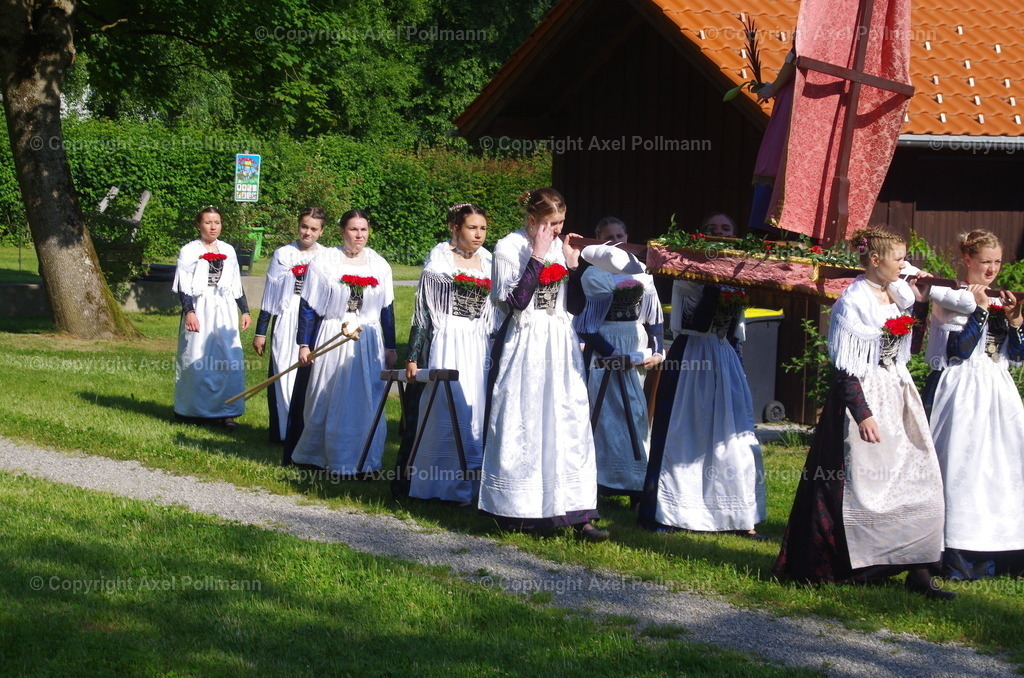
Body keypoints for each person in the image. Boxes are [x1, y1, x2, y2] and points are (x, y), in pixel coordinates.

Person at [773, 226, 953, 600]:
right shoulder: (852, 303)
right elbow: (844, 368)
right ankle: (855, 566)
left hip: (898, 393)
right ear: (875, 259)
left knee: (920, 478)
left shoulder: (898, 294)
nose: (904, 264)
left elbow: (908, 348)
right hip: (865, 398)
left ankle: (919, 569)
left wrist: (918, 302)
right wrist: (863, 414)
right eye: (899, 258)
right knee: (859, 486)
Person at [479, 187, 607, 541]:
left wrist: (572, 266)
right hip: (526, 342)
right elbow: (517, 302)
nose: (557, 229)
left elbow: (574, 306)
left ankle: (578, 513)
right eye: (551, 223)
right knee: (527, 418)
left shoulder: (559, 246)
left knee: (568, 419)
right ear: (532, 220)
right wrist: (536, 254)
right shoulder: (508, 248)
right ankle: (521, 510)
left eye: (561, 222)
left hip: (560, 342)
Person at [925, 229, 1024, 579]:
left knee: (1003, 466)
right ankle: (958, 552)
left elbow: (1017, 356)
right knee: (963, 465)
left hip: (997, 389)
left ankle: (1004, 551)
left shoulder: (1001, 297)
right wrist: (980, 311)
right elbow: (960, 350)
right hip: (963, 387)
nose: (992, 269)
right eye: (985, 262)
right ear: (968, 259)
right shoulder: (953, 297)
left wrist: (1015, 321)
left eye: (997, 262)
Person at [637, 275, 766, 538]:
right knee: (686, 434)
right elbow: (698, 324)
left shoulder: (735, 281)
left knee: (733, 438)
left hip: (723, 357)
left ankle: (738, 516)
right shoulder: (687, 282)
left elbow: (731, 332)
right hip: (693, 359)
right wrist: (712, 291)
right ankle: (675, 511)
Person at [403, 204, 500, 504]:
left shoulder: (489, 262)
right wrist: (412, 356)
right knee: (447, 406)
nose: (479, 234)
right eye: (472, 227)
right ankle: (440, 485)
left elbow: (497, 311)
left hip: (478, 344)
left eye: (483, 228)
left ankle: (473, 486)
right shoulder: (439, 262)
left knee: (476, 408)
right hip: (448, 341)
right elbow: (423, 313)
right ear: (455, 228)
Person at [288, 209, 397, 475]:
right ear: (342, 231)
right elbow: (309, 306)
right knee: (326, 394)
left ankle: (364, 459)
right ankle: (319, 456)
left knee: (366, 398)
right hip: (333, 333)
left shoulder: (379, 265)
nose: (359, 235)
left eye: (363, 229)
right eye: (353, 229)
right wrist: (304, 344)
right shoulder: (325, 261)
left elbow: (387, 308)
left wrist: (391, 346)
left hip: (367, 338)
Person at [574, 236, 664, 504]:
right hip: (605, 344)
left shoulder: (641, 270)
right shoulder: (594, 275)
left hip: (633, 344)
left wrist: (657, 351)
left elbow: (654, 318)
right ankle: (602, 481)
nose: (616, 241)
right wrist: (610, 353)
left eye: (621, 236)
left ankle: (637, 482)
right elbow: (586, 326)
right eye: (609, 236)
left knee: (635, 413)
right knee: (605, 415)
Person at [172, 206, 251, 429]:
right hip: (200, 308)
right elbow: (183, 286)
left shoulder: (228, 250)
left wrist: (244, 311)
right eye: (208, 222)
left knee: (228, 358)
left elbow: (235, 284)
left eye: (217, 222)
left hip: (224, 308)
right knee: (197, 356)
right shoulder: (189, 250)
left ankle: (227, 411)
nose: (213, 227)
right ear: (199, 225)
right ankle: (194, 410)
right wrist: (190, 312)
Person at [252, 207, 324, 447]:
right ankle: (284, 431)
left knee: (313, 373)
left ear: (321, 232)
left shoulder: (327, 256)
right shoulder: (283, 254)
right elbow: (270, 296)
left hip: (315, 319)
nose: (308, 232)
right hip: (287, 315)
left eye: (313, 229)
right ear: (298, 226)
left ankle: (308, 430)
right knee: (284, 370)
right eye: (304, 226)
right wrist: (261, 332)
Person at [749, 47, 796, 237]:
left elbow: (795, 57)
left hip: (795, 97)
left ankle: (767, 224)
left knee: (776, 153)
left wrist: (774, 88)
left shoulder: (812, 30)